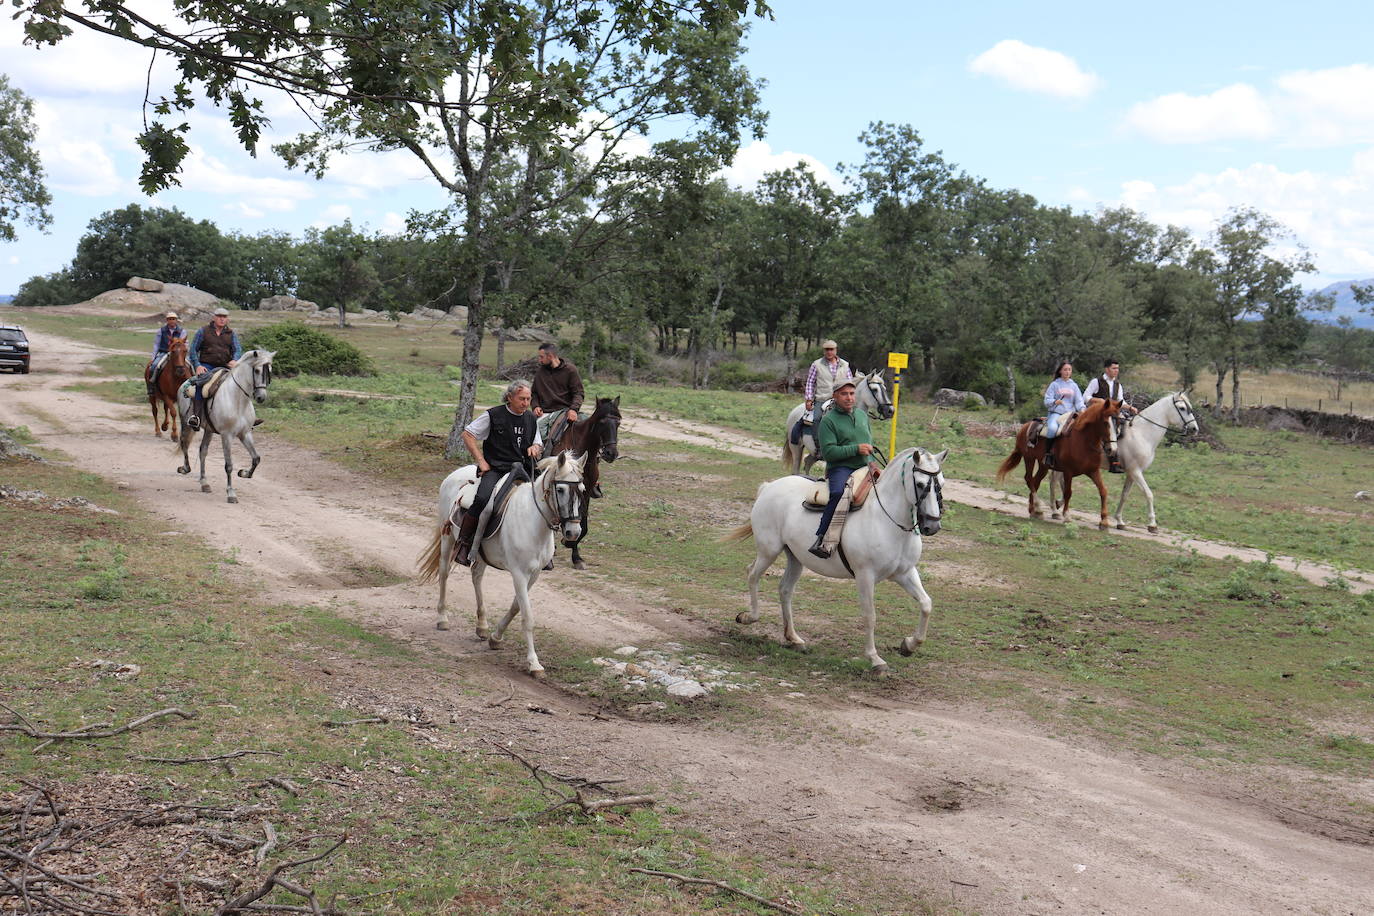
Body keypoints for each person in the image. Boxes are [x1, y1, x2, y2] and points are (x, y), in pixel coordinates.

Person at [454, 379, 544, 567]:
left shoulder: (530, 418)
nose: (526, 403)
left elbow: (538, 441)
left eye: (528, 399)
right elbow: (467, 434)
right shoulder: (493, 415)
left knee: (545, 499)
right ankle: (463, 544)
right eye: (522, 399)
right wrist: (481, 461)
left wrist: (535, 447)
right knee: (482, 500)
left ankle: (544, 551)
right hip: (496, 469)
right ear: (510, 397)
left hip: (522, 468)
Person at [809, 378, 882, 559]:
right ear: (835, 396)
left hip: (865, 466)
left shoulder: (862, 416)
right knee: (837, 493)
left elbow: (868, 441)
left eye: (851, 393)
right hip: (841, 468)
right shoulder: (828, 421)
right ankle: (822, 538)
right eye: (844, 394)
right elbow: (829, 453)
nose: (849, 398)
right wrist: (856, 449)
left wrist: (871, 458)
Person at [186, 307, 244, 431]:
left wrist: (235, 359)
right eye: (219, 316)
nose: (222, 319)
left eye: (224, 317)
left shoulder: (231, 333)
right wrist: (198, 365)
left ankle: (245, 416)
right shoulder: (203, 331)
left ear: (227, 319)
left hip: (225, 365)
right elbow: (193, 350)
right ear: (214, 317)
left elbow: (237, 349)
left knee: (242, 383)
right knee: (201, 383)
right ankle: (196, 416)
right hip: (207, 365)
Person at [531, 342, 584, 445]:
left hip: (565, 411)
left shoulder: (570, 370)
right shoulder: (540, 372)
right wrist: (535, 406)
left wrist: (573, 409)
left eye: (541, 357)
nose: (539, 360)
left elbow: (578, 393)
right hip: (545, 413)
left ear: (550, 356)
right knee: (534, 435)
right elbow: (534, 394)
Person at [1041, 360, 1085, 468]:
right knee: (1052, 429)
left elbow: (1079, 401)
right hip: (1056, 413)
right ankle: (1048, 454)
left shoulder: (1074, 386)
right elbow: (1047, 400)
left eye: (1069, 370)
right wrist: (1055, 401)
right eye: (1065, 369)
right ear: (1060, 371)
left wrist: (1083, 410)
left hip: (1070, 414)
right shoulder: (1055, 384)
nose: (1067, 372)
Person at [803, 339, 853, 425]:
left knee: (852, 419)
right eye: (827, 349)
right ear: (824, 351)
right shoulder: (816, 364)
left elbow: (850, 383)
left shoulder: (844, 365)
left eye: (831, 349)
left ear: (836, 350)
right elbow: (810, 382)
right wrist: (809, 399)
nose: (829, 352)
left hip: (841, 399)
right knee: (817, 418)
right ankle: (817, 438)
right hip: (822, 398)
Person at [145, 311, 187, 397]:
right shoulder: (161, 331)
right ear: (167, 320)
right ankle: (151, 386)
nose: (172, 321)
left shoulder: (182, 331)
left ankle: (191, 385)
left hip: (177, 354)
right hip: (163, 352)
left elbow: (186, 344)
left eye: (173, 319)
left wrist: (186, 356)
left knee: (190, 367)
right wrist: (153, 357)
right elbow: (156, 344)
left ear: (176, 320)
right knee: (154, 366)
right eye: (170, 319)